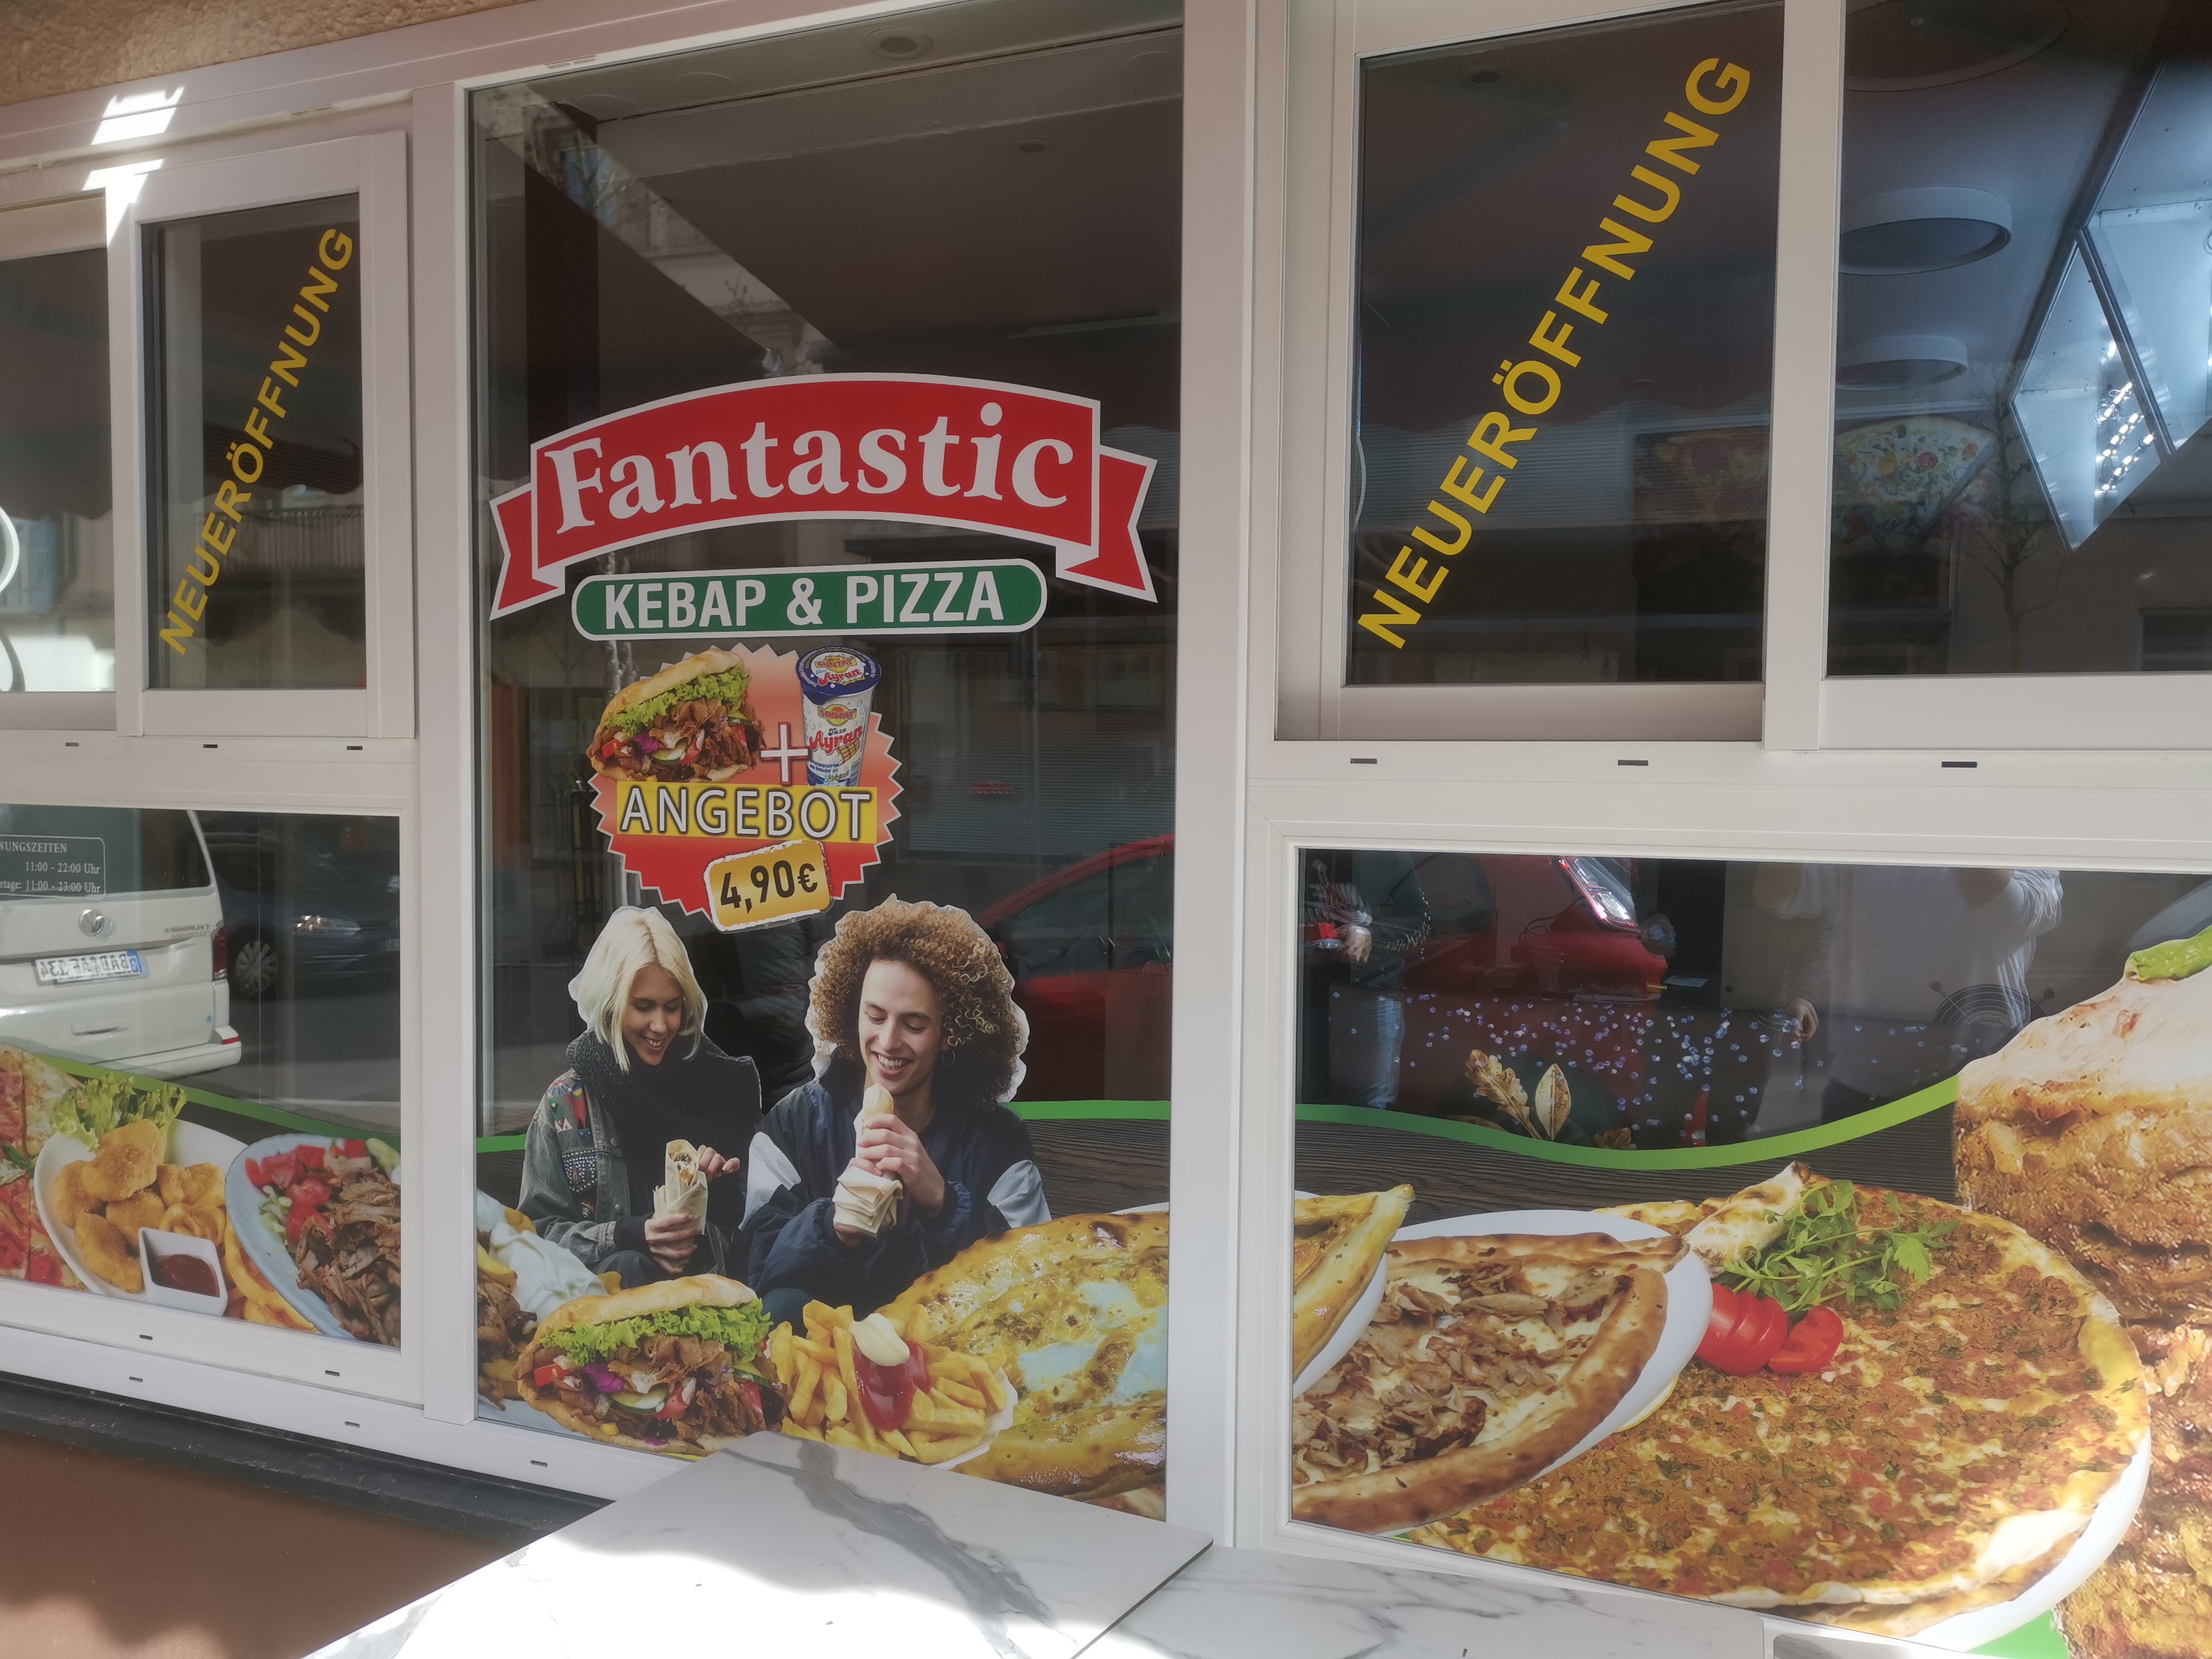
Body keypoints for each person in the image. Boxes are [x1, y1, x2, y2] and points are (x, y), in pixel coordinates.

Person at [742, 897, 1047, 1330]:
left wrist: (944, 1201)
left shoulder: (997, 1141)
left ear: (950, 1032)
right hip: (826, 1351)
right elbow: (755, 1264)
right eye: (875, 1016)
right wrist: (832, 1226)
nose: (888, 1042)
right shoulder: (794, 1123)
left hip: (948, 1348)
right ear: (853, 1014)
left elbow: (1033, 1276)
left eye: (914, 1025)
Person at [519, 907, 762, 1287]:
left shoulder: (721, 1086)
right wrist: (627, 1235)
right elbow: (534, 1237)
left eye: (672, 1007)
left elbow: (758, 1231)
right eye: (643, 1006)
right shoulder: (566, 1103)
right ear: (611, 1003)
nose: (660, 1026)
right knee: (629, 1267)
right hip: (604, 1311)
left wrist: (713, 1193)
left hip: (705, 1299)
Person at [1754, 863, 2062, 1121]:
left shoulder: (2016, 827)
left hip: (1981, 1082)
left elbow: (2016, 916)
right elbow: (1776, 893)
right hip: (1860, 1082)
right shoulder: (1865, 823)